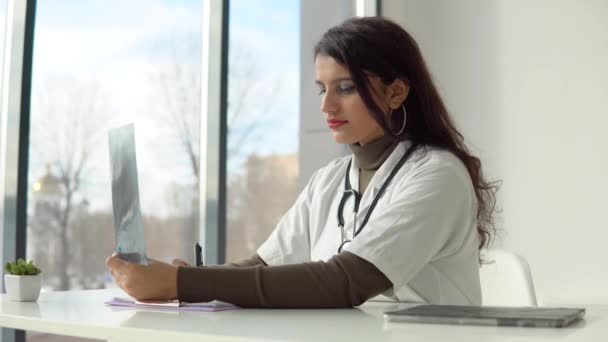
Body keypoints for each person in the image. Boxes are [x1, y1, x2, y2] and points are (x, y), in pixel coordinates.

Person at [106, 16, 499, 308]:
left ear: (396, 92)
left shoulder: (437, 174)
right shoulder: (331, 179)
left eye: (345, 88)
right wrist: (185, 278)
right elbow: (262, 264)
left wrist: (182, 283)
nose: (327, 106)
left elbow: (346, 281)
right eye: (321, 89)